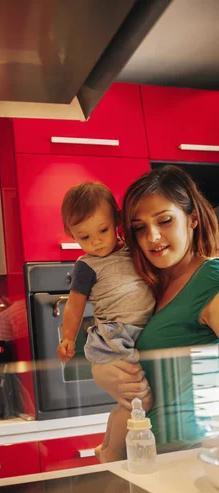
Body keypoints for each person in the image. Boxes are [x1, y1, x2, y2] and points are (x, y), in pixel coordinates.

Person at [92, 165, 219, 452]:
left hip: (189, 456)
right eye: (139, 228)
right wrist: (102, 371)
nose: (153, 237)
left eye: (164, 221)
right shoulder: (146, 285)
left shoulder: (212, 279)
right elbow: (94, 346)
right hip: (145, 455)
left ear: (192, 219)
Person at [56, 182, 155, 462]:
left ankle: (105, 446)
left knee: (125, 402)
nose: (97, 241)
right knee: (140, 400)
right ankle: (113, 452)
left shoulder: (133, 251)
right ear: (70, 235)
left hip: (131, 334)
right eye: (84, 237)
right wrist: (67, 338)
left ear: (117, 221)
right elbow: (75, 307)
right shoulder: (87, 265)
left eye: (103, 230)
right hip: (114, 336)